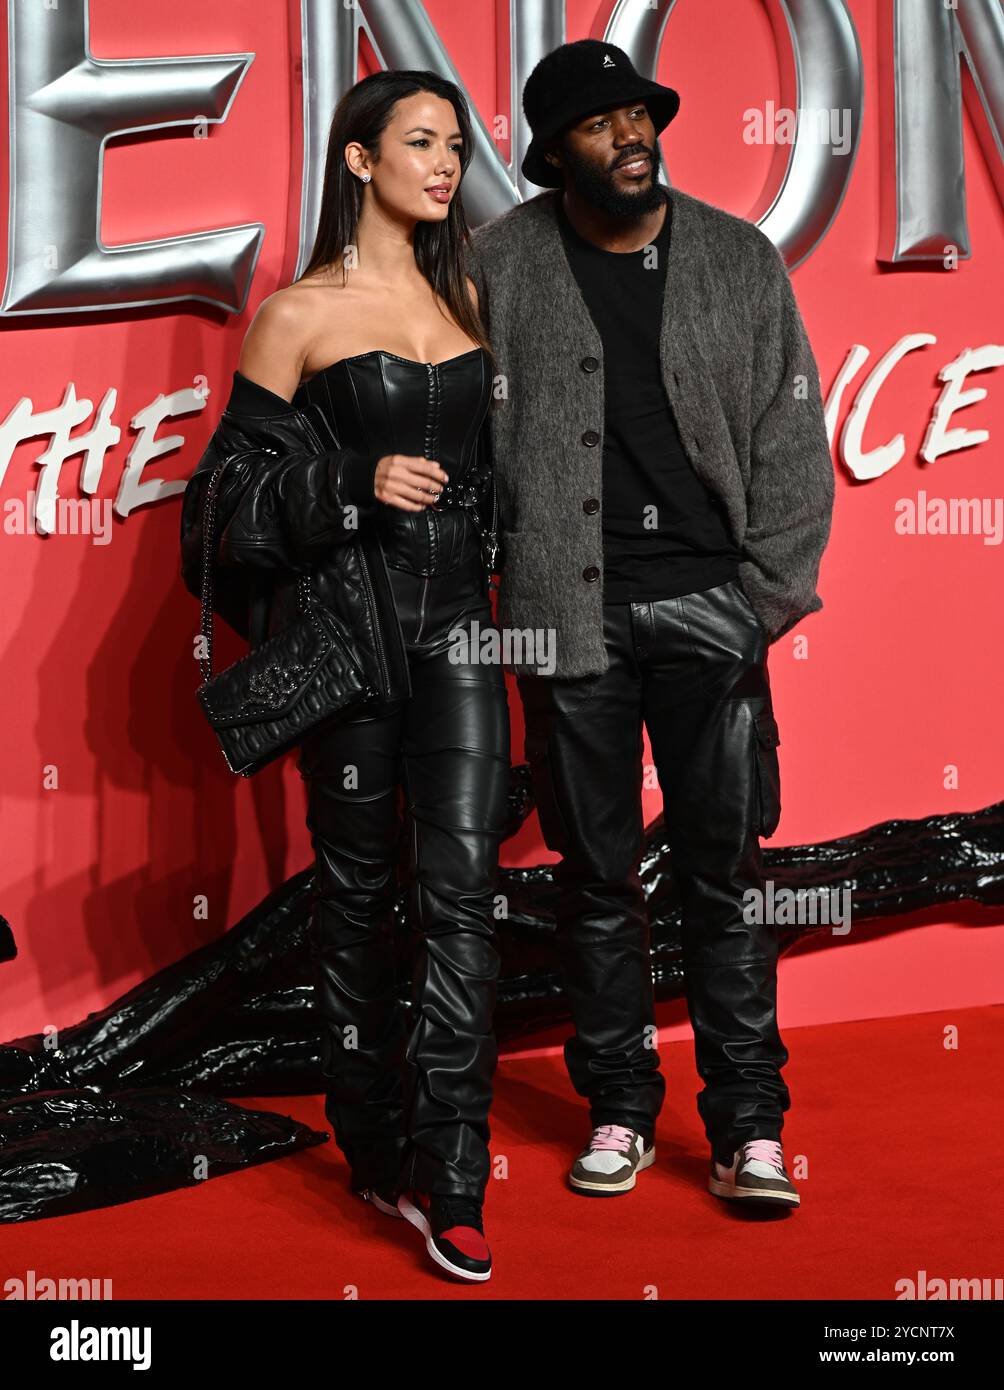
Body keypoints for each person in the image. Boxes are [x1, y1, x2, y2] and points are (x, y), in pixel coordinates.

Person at [468, 39, 834, 1208]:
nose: (628, 137)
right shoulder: (496, 265)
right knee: (595, 878)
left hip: (707, 610)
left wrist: (760, 601)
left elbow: (790, 440)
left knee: (724, 873)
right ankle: (620, 1108)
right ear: (550, 152)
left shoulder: (736, 258)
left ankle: (749, 1126)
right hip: (561, 616)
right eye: (597, 124)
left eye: (638, 116)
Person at [180, 70, 509, 1281]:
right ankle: (373, 1144)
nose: (445, 164)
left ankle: (456, 1179)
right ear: (359, 159)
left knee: (463, 896)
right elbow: (213, 517)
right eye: (420, 143)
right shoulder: (296, 315)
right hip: (350, 649)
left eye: (456, 146)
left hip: (464, 640)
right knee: (359, 900)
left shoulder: (471, 291)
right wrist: (345, 484)